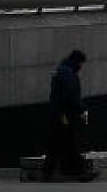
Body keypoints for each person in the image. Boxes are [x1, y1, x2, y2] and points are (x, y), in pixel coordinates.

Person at [42, 48, 99, 182]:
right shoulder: (69, 74)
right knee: (70, 140)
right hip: (65, 116)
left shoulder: (59, 70)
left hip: (56, 114)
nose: (81, 67)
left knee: (55, 143)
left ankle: (49, 173)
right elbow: (70, 96)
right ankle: (80, 172)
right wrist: (82, 110)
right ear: (76, 61)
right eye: (81, 63)